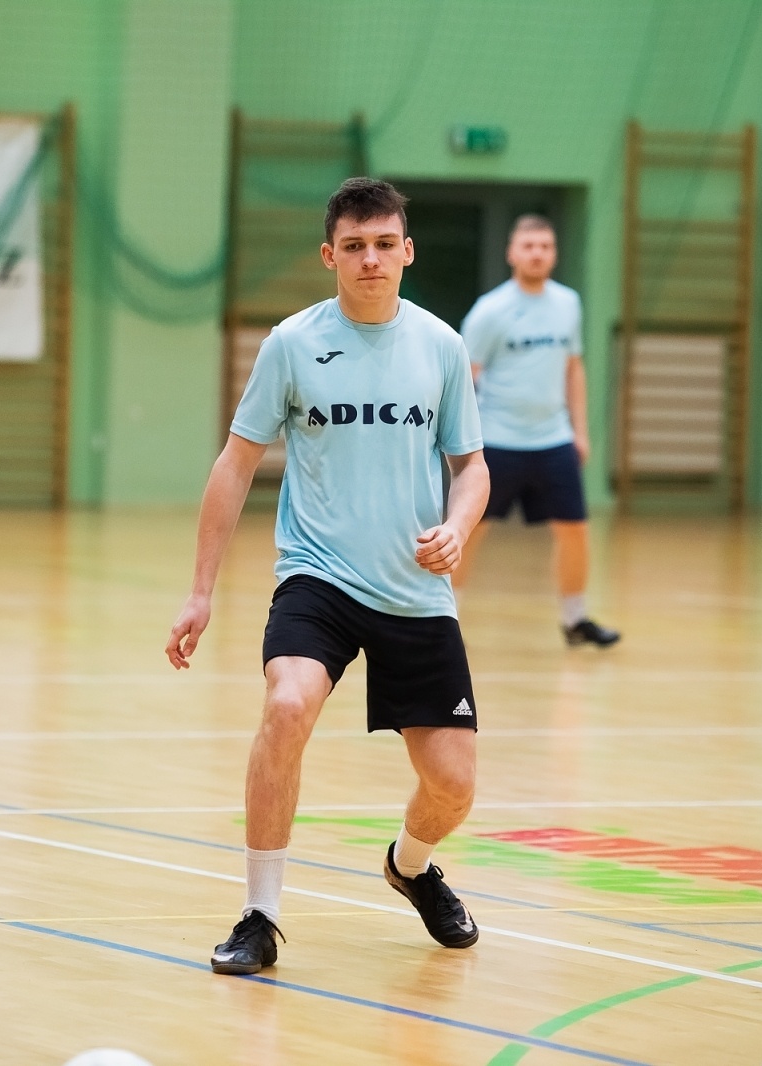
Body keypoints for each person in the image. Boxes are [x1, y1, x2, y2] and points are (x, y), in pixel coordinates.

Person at [166, 178, 490, 975]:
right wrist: (201, 592)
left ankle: (409, 866)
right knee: (286, 705)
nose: (370, 259)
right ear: (329, 255)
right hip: (321, 578)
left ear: (406, 251)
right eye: (354, 246)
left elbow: (472, 466)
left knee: (452, 787)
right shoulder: (292, 343)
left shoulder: (441, 347)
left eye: (384, 243)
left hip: (415, 590)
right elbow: (235, 465)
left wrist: (457, 524)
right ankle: (259, 915)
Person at [454, 215, 621, 648]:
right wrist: (462, 447)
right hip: (497, 441)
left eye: (545, 246)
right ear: (512, 253)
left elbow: (573, 367)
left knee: (575, 530)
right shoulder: (490, 311)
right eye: (528, 246)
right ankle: (443, 619)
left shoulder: (568, 304)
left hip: (553, 439)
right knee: (468, 530)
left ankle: (575, 619)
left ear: (554, 253)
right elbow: (463, 380)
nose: (537, 253)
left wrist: (579, 432)